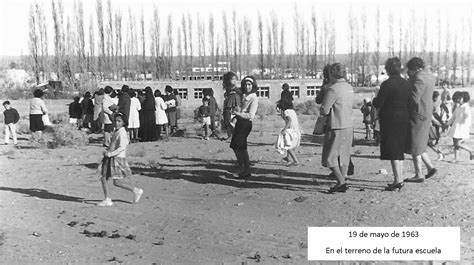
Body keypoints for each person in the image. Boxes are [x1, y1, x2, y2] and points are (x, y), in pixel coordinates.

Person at [373, 57, 412, 191]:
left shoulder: (387, 84)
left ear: (388, 69)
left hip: (390, 120)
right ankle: (399, 178)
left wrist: (374, 100)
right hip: (404, 119)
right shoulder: (407, 84)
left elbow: (379, 103)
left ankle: (398, 180)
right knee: (399, 149)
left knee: (393, 150)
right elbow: (411, 103)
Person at [320, 63, 354, 193]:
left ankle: (341, 182)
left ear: (332, 74)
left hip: (336, 125)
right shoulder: (349, 87)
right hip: (348, 125)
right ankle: (343, 177)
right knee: (344, 154)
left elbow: (324, 110)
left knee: (330, 156)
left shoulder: (333, 89)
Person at [97, 112, 144, 207]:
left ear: (123, 122)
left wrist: (110, 154)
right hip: (113, 158)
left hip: (116, 159)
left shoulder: (122, 132)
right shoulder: (118, 131)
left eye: (119, 121)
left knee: (106, 178)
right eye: (115, 121)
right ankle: (135, 191)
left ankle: (108, 199)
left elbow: (122, 147)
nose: (117, 123)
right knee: (113, 181)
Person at [404, 57, 438, 183]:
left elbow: (413, 99)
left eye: (410, 70)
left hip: (417, 115)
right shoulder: (429, 75)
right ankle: (430, 168)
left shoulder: (419, 78)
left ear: (415, 68)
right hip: (426, 113)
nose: (409, 72)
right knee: (420, 143)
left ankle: (419, 174)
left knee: (414, 145)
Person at [231, 76, 259, 178]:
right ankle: (243, 167)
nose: (247, 87)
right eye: (245, 84)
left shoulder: (253, 98)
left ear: (253, 85)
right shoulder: (243, 95)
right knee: (235, 146)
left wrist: (238, 114)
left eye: (249, 85)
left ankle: (244, 169)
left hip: (245, 124)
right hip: (239, 122)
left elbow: (251, 115)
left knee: (241, 147)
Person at [446, 91, 473, 162]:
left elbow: (468, 118)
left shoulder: (466, 107)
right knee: (455, 144)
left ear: (464, 98)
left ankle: (471, 150)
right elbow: (453, 117)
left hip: (461, 127)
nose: (458, 100)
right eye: (457, 99)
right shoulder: (458, 107)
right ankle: (456, 158)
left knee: (457, 143)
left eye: (459, 98)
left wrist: (465, 125)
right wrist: (448, 123)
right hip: (456, 127)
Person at [275, 98, 301, 166]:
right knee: (290, 144)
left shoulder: (286, 111)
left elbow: (289, 120)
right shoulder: (292, 111)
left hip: (291, 130)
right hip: (296, 130)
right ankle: (288, 157)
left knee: (288, 146)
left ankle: (296, 161)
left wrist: (284, 129)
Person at [222, 72, 242, 140]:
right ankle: (230, 135)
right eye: (232, 79)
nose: (234, 81)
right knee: (227, 120)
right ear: (228, 80)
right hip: (228, 106)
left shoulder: (237, 90)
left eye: (235, 79)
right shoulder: (227, 90)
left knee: (235, 121)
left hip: (235, 106)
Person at [429, 91, 445, 161]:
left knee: (429, 142)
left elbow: (431, 116)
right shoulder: (430, 103)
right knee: (429, 143)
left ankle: (440, 154)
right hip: (432, 121)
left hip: (434, 119)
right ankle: (440, 154)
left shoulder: (433, 103)